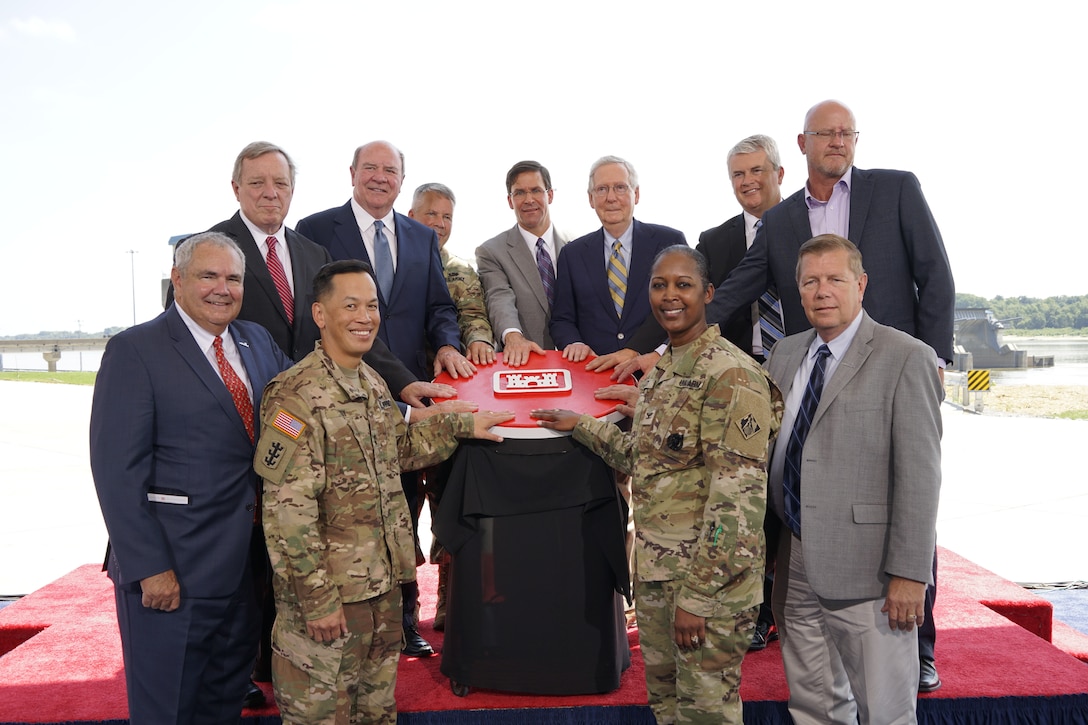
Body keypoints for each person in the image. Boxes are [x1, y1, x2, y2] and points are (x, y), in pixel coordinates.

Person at [621, 103, 953, 687]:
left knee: (905, 486)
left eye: (846, 132)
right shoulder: (780, 221)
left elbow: (936, 273)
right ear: (802, 143)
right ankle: (806, 623)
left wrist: (935, 357)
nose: (837, 142)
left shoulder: (897, 189)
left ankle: (918, 643)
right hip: (813, 369)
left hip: (889, 367)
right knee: (809, 494)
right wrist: (661, 347)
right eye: (825, 133)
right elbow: (730, 295)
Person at [169, 142, 451, 700]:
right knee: (254, 553)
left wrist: (402, 382)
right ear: (237, 189)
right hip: (242, 425)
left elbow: (349, 329)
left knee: (300, 535)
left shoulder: (309, 249)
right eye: (258, 184)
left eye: (280, 184)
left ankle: (275, 659)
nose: (271, 193)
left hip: (319, 425)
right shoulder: (213, 253)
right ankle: (253, 667)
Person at [254, 260, 512, 724]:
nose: (364, 317)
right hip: (329, 601)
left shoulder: (372, 383)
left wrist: (461, 425)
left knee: (376, 713)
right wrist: (317, 599)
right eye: (349, 305)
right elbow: (286, 510)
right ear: (319, 314)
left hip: (381, 592)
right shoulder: (292, 396)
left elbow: (401, 450)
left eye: (371, 306)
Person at [533, 246, 782, 724]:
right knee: (666, 710)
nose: (670, 296)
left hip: (706, 588)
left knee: (706, 715)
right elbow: (643, 459)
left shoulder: (730, 374)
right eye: (659, 285)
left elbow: (737, 501)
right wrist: (581, 423)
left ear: (708, 293)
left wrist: (699, 597)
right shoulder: (664, 371)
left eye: (683, 285)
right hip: (658, 578)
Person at [90, 232, 294, 723]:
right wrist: (149, 567)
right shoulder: (135, 350)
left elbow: (305, 403)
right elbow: (117, 471)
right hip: (172, 571)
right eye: (209, 276)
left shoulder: (256, 341)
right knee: (168, 707)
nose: (222, 288)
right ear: (178, 280)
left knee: (222, 697)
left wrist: (404, 410)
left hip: (242, 566)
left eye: (234, 278)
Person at [296, 140, 476, 657]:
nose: (379, 178)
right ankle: (363, 621)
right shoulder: (315, 230)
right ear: (352, 173)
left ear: (402, 180)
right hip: (351, 398)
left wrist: (446, 342)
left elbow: (441, 304)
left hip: (415, 401)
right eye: (369, 168)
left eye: (389, 171)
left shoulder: (420, 236)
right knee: (357, 515)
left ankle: (404, 621)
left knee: (407, 510)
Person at [765, 234, 941, 724]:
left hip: (872, 572)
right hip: (794, 559)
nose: (823, 291)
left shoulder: (906, 357)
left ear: (860, 285)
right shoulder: (784, 352)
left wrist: (910, 575)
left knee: (884, 712)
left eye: (835, 279)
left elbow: (920, 477)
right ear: (798, 292)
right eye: (811, 281)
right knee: (814, 705)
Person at [697, 134, 787, 653]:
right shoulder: (716, 238)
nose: (748, 182)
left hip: (795, 366)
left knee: (786, 486)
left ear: (779, 172)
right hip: (737, 376)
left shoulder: (802, 223)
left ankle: (785, 602)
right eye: (738, 174)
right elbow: (708, 305)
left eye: (757, 171)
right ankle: (752, 607)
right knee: (742, 491)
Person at [408, 181, 495, 630]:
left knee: (449, 505)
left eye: (446, 217)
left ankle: (447, 603)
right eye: (431, 215)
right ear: (410, 214)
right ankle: (404, 614)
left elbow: (475, 317)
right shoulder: (393, 259)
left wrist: (478, 340)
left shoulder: (458, 269)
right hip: (399, 399)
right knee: (402, 508)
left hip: (449, 405)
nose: (439, 225)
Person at [549, 156, 686, 368]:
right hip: (596, 373)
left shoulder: (670, 242)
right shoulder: (572, 254)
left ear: (636, 194)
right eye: (602, 189)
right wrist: (574, 343)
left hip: (661, 371)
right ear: (591, 198)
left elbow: (688, 309)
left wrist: (660, 353)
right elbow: (562, 319)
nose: (611, 198)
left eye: (620, 187)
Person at [475, 160, 570, 366]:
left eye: (536, 190)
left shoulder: (577, 246)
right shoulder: (492, 252)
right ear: (510, 201)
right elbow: (499, 298)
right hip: (524, 363)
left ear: (550, 195)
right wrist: (513, 337)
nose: (528, 200)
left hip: (576, 362)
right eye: (519, 193)